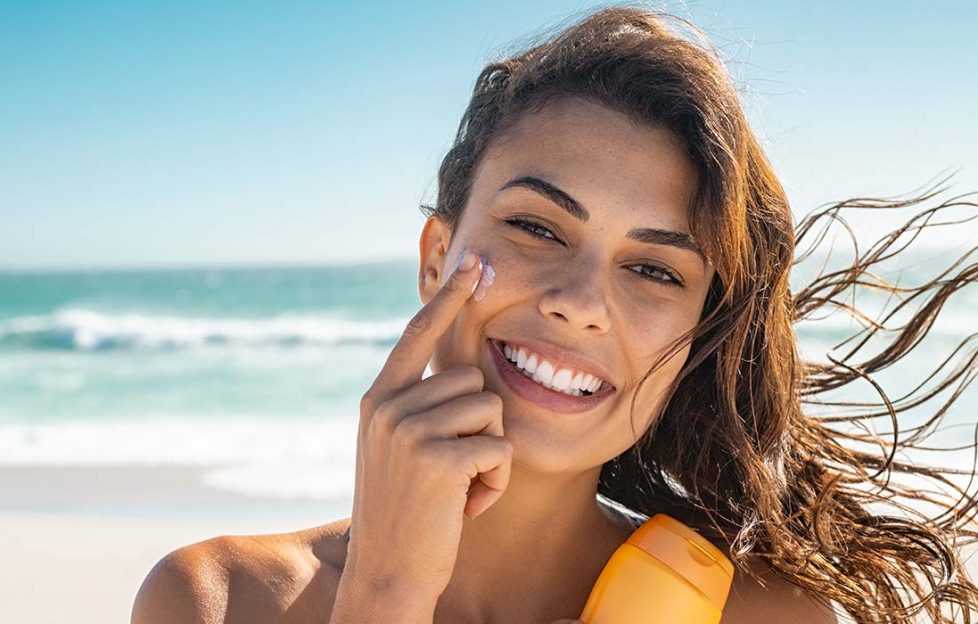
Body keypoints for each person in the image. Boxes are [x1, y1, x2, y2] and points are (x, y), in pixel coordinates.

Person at [131, 5, 978, 623]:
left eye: (653, 269)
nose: (579, 305)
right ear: (436, 258)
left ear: (695, 335)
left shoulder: (756, 615)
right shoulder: (218, 600)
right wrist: (386, 595)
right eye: (536, 227)